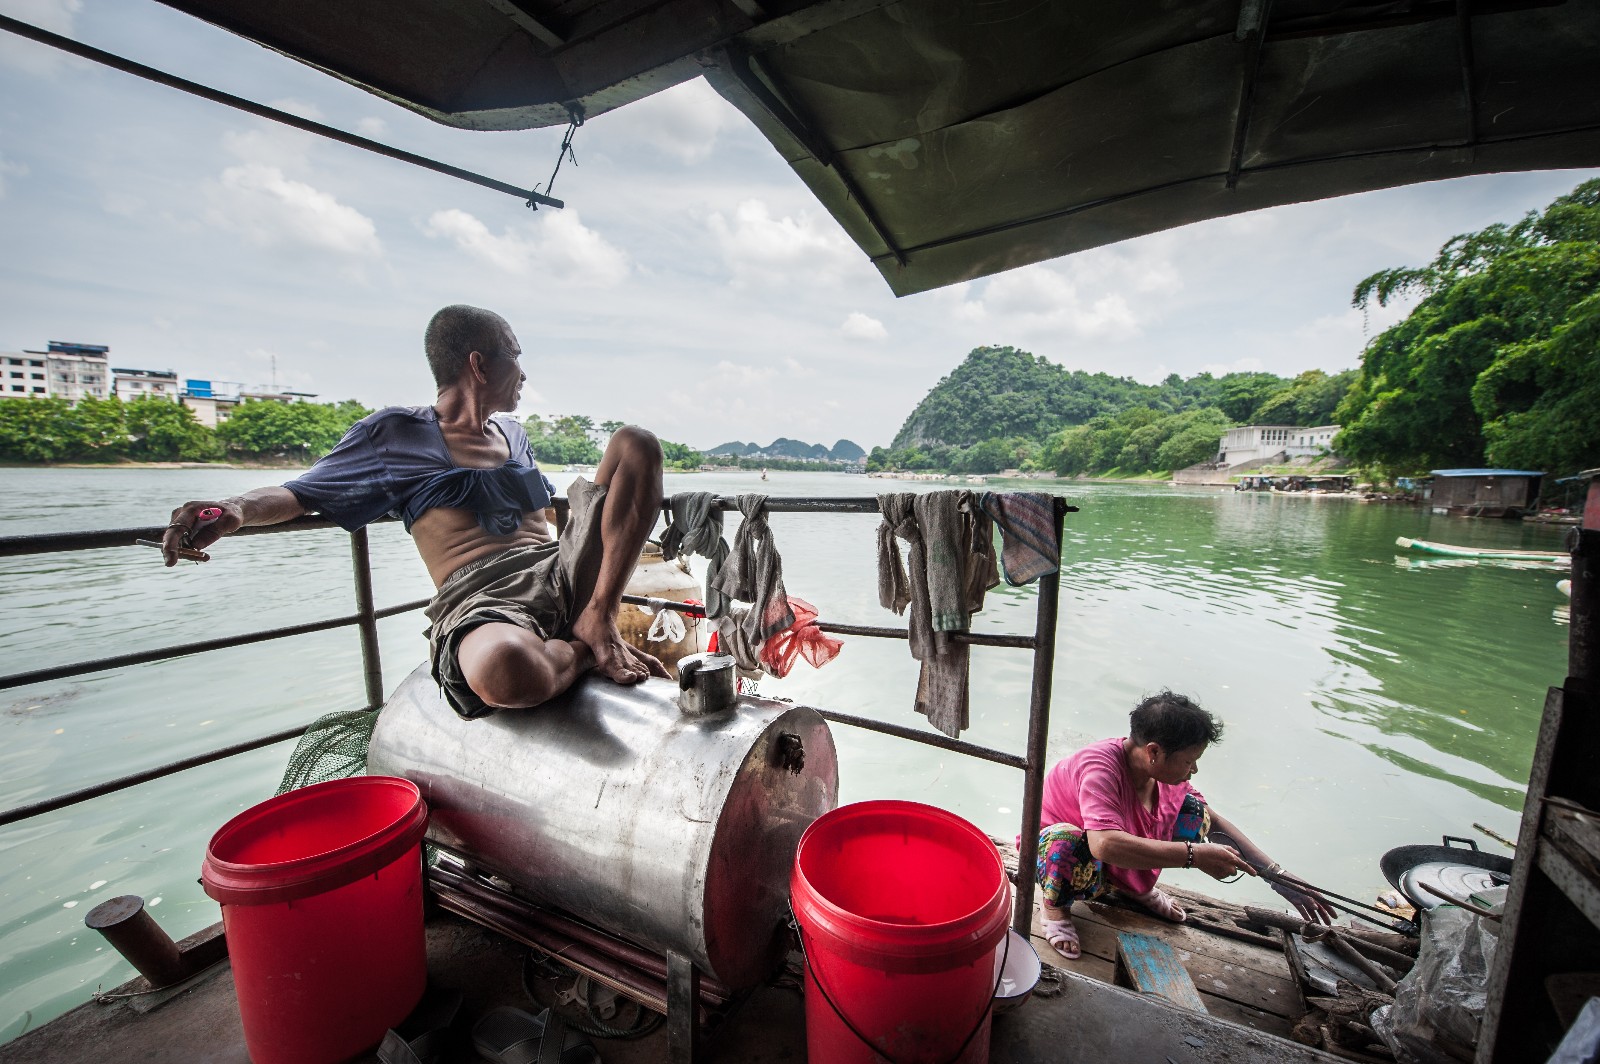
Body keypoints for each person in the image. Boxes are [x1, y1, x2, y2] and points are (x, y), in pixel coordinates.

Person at [160, 304, 668, 718]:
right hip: (484, 595)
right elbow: (302, 493)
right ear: (479, 365)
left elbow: (559, 515)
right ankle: (581, 650)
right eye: (515, 355)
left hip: (561, 567)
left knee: (636, 444)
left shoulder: (513, 434)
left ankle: (596, 619)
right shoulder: (394, 434)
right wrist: (231, 509)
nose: (524, 371)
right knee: (503, 670)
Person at [1033, 690, 1334, 960]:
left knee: (1194, 811)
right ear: (1153, 752)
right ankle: (1055, 911)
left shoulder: (1162, 776)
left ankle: (1134, 888)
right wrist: (1194, 856)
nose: (1194, 770)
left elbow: (1211, 820)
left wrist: (1276, 876)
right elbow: (1104, 844)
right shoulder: (1100, 768)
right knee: (1066, 839)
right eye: (1189, 761)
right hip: (1066, 865)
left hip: (1113, 864)